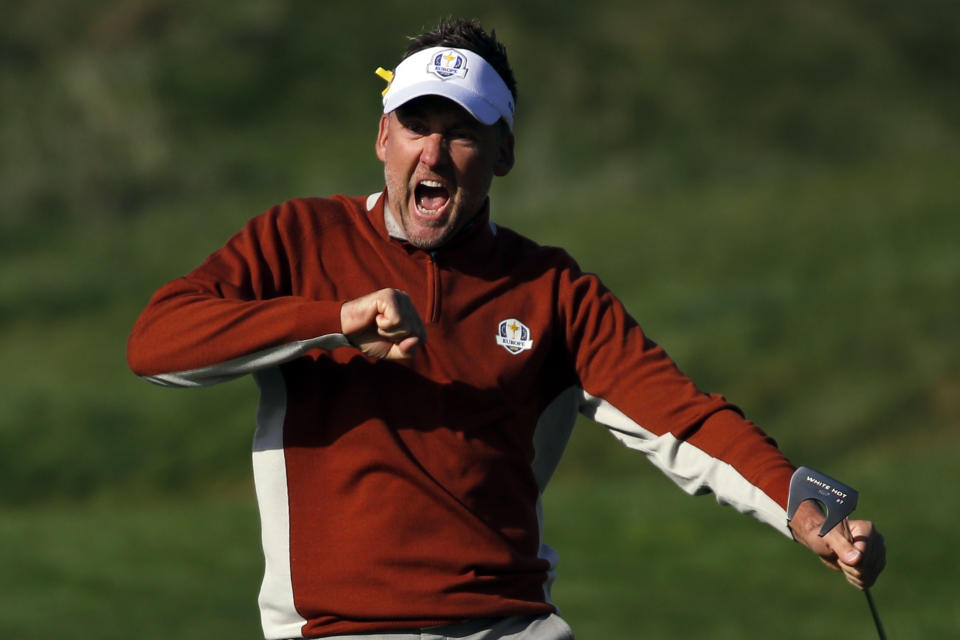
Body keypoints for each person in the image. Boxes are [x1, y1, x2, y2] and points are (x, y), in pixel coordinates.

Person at [127, 17, 886, 640]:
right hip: (338, 630)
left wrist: (800, 506)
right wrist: (331, 322)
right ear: (382, 139)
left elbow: (680, 416)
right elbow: (158, 342)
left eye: (461, 132)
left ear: (504, 152)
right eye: (416, 125)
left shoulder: (552, 288)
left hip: (512, 626)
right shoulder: (299, 237)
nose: (433, 152)